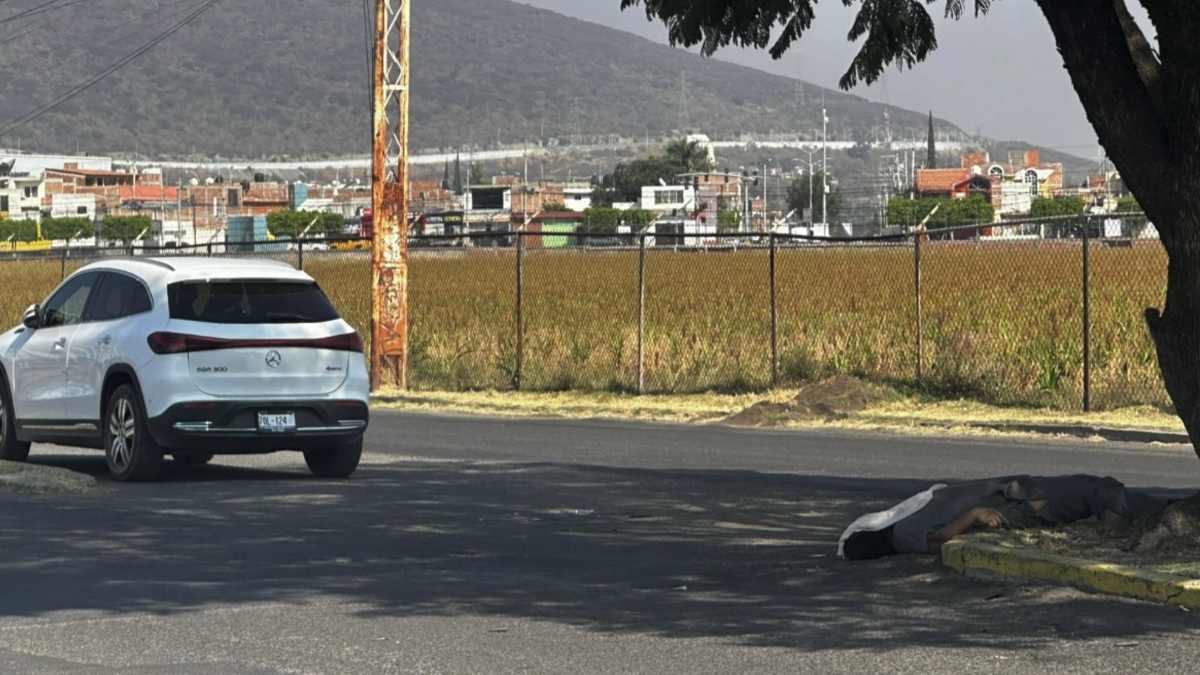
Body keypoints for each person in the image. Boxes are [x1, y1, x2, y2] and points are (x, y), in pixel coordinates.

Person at [838, 474, 1162, 560]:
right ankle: (1136, 515)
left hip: (1009, 492)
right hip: (1009, 506)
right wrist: (975, 515)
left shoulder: (903, 525)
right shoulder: (903, 535)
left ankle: (1138, 509)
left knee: (1085, 488)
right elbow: (938, 540)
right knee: (1087, 492)